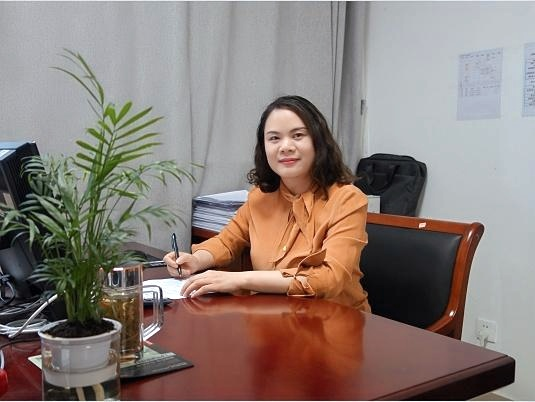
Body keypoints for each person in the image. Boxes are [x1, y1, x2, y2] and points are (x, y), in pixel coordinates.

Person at [164, 95, 370, 311]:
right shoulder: (260, 197)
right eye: (274, 138)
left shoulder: (348, 200)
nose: (285, 146)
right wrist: (196, 260)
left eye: (298, 135)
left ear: (318, 141)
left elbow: (329, 278)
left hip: (335, 320)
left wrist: (241, 280)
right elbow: (227, 241)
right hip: (274, 317)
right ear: (264, 147)